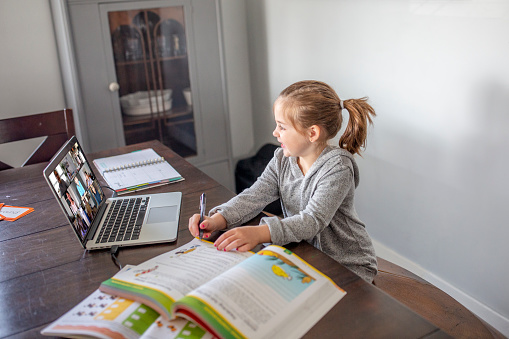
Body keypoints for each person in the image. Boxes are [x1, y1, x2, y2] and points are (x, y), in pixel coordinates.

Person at [189, 80, 378, 283]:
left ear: (312, 133)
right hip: (308, 255)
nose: (275, 133)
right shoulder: (281, 159)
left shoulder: (338, 168)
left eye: (282, 127)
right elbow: (254, 195)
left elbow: (312, 221)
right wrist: (218, 219)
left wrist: (260, 233)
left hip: (348, 264)